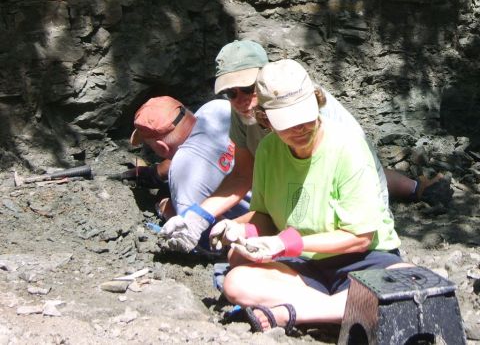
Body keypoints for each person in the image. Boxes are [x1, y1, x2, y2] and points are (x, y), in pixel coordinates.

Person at [162, 39, 452, 253]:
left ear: (265, 79)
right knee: (240, 264)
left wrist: (280, 241)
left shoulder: (310, 114)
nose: (240, 99)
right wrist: (199, 216)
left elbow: (347, 195)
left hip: (340, 214)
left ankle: (416, 189)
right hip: (296, 202)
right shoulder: (247, 114)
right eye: (230, 93)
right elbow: (242, 174)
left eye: (248, 89)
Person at [209, 59, 411, 333]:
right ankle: (342, 310)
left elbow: (359, 237)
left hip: (364, 260)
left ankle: (298, 312)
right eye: (289, 123)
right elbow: (266, 216)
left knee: (405, 282)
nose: (301, 128)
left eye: (306, 117)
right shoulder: (268, 150)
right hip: (305, 266)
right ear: (266, 119)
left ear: (317, 102)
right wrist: (240, 228)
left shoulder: (348, 146)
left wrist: (284, 244)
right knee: (236, 278)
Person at [127, 96, 248, 244]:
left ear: (161, 147)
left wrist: (167, 208)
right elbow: (202, 152)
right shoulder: (218, 108)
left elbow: (202, 238)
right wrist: (156, 172)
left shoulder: (184, 178)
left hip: (256, 229)